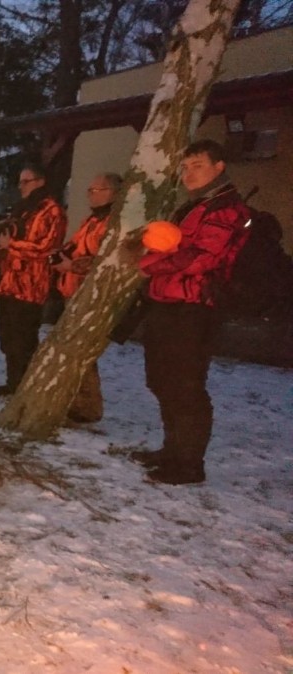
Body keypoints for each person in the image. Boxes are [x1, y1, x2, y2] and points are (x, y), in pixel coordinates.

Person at [130, 140, 250, 485]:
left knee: (185, 385)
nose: (188, 174)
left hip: (194, 308)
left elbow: (202, 258)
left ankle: (188, 465)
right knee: (162, 380)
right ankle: (173, 451)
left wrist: (149, 265)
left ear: (219, 167)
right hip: (168, 303)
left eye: (197, 165)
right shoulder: (195, 206)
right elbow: (174, 246)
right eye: (184, 167)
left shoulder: (225, 210)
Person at [0, 164, 65, 396]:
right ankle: (13, 382)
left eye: (26, 181)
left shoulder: (52, 211)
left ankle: (25, 387)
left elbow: (45, 248)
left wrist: (11, 245)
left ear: (40, 182)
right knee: (8, 338)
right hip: (9, 283)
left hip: (30, 287)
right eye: (20, 181)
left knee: (23, 340)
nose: (20, 186)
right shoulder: (22, 209)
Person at [53, 172, 121, 422]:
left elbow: (108, 260)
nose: (90, 194)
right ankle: (78, 402)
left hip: (92, 296)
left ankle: (88, 407)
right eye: (90, 190)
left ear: (113, 193)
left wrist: (72, 265)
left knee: (82, 352)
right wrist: (61, 256)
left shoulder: (114, 223)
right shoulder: (91, 220)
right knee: (73, 351)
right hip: (73, 291)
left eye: (96, 190)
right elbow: (76, 246)